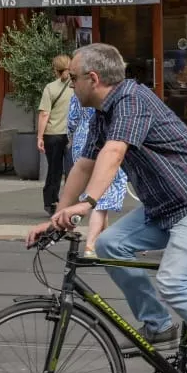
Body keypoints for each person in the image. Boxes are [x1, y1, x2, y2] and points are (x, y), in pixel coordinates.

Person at [28, 43, 187, 373]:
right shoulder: (102, 110)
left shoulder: (133, 99)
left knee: (173, 282)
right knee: (110, 244)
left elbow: (114, 153)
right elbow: (85, 163)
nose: (70, 85)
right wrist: (57, 216)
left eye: (73, 79)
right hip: (163, 207)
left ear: (93, 79)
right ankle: (158, 324)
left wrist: (90, 204)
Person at [66, 90, 128, 258]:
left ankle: (103, 239)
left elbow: (72, 120)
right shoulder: (111, 94)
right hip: (107, 142)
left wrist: (72, 135)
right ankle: (91, 244)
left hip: (81, 142)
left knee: (95, 193)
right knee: (103, 197)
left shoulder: (80, 93)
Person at [36, 55, 74, 216]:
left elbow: (44, 114)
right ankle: (71, 202)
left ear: (55, 70)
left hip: (53, 135)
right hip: (72, 135)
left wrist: (39, 137)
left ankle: (51, 202)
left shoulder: (50, 88)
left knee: (54, 170)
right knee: (72, 170)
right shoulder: (77, 87)